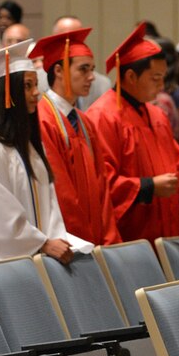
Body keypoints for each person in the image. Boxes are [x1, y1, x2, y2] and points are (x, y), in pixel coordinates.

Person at [0, 38, 73, 264]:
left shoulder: (29, 149)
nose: (36, 94)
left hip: (38, 263)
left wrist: (55, 240)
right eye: (27, 86)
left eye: (35, 86)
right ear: (7, 95)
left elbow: (50, 209)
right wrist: (43, 243)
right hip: (2, 271)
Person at [86, 24, 179, 243]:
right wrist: (148, 187)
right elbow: (101, 183)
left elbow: (177, 165)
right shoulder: (102, 116)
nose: (162, 85)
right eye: (155, 78)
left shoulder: (157, 115)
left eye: (163, 77)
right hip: (130, 236)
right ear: (130, 76)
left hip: (165, 233)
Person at [29, 28, 121, 246]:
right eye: (83, 69)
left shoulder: (84, 121)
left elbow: (102, 185)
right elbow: (61, 192)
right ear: (59, 71)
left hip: (96, 238)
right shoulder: (42, 119)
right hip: (70, 241)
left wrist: (108, 239)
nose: (91, 77)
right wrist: (83, 241)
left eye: (92, 69)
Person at [52, 16, 111, 109]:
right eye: (65, 40)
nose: (91, 77)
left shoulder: (102, 84)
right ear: (58, 71)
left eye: (77, 38)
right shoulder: (37, 84)